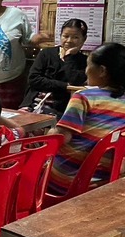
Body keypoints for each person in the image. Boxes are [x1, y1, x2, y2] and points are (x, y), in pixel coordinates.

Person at [46, 42, 125, 195]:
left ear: (102, 71)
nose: (85, 71)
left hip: (66, 183)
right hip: (105, 183)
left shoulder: (84, 97)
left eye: (88, 65)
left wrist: (50, 133)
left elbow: (61, 137)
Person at [19, 18, 88, 119]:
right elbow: (33, 79)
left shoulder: (85, 61)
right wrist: (64, 86)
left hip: (60, 109)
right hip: (33, 104)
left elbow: (75, 81)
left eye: (75, 37)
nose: (69, 41)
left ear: (84, 39)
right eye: (65, 36)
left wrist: (69, 58)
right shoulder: (46, 54)